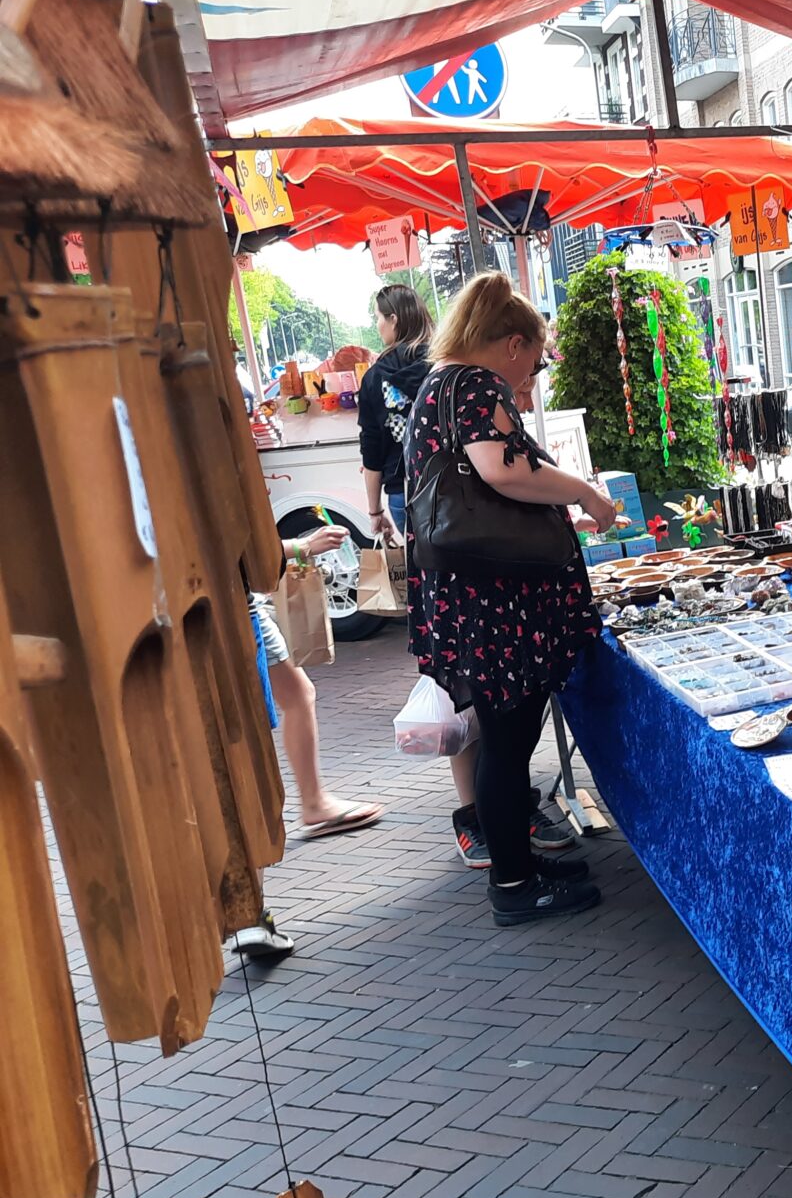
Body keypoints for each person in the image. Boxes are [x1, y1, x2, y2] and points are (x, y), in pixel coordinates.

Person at [404, 272, 616, 925]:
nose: (533, 369)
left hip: (471, 593)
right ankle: (517, 887)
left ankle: (515, 864)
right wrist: (582, 490)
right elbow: (502, 468)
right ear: (514, 343)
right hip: (492, 600)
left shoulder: (439, 384)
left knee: (507, 739)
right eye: (536, 354)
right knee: (508, 740)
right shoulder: (474, 384)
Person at [250, 528, 385, 840]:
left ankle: (312, 801)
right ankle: (310, 802)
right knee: (290, 700)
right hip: (241, 610)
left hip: (245, 605)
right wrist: (304, 546)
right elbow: (239, 551)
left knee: (297, 696)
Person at [360, 283, 434, 545]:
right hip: (457, 488)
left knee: (426, 577)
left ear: (394, 320)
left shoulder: (373, 378)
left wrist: (375, 510)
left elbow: (372, 450)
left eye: (378, 317)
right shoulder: (444, 365)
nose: (377, 324)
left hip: (402, 492)